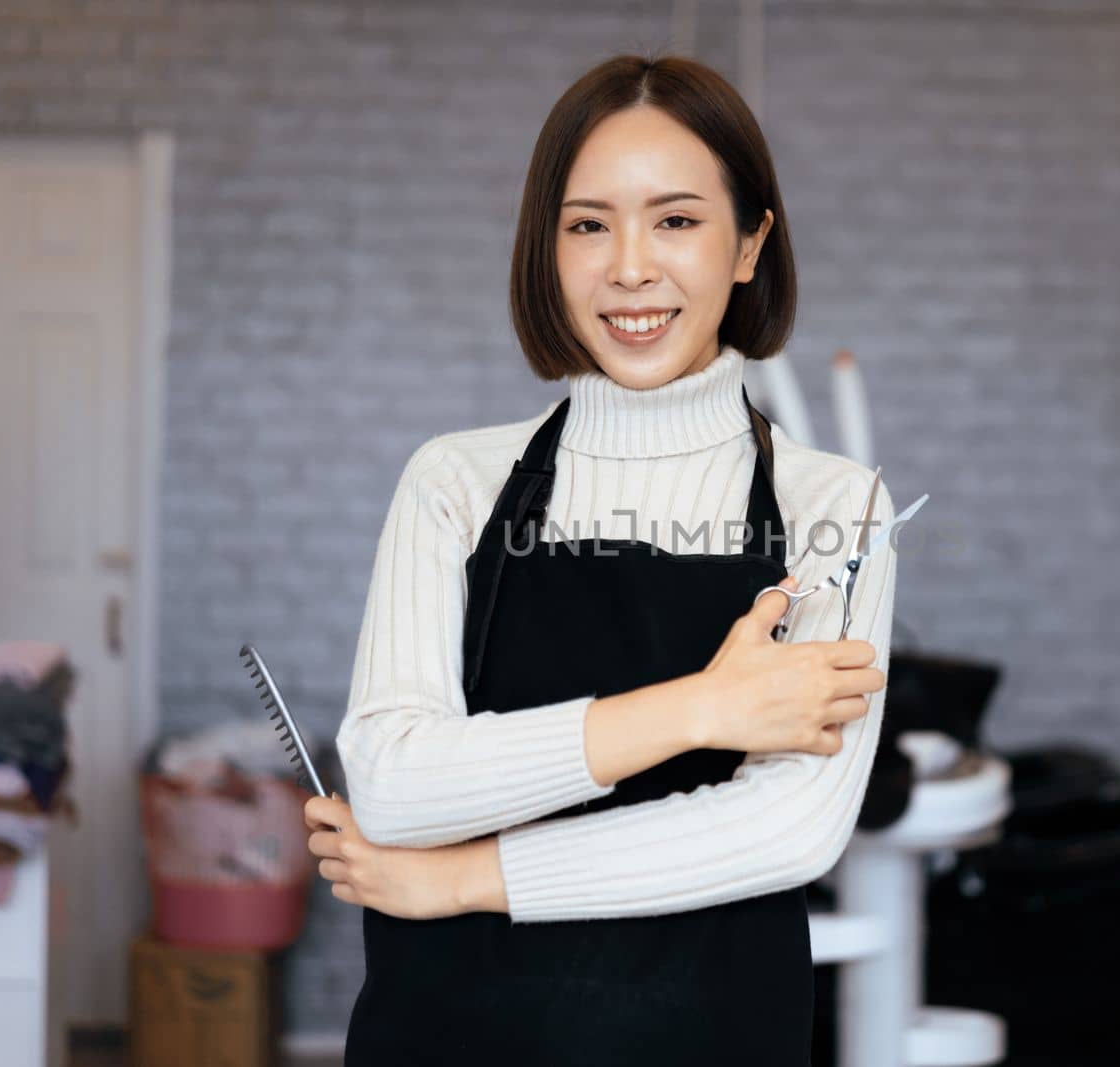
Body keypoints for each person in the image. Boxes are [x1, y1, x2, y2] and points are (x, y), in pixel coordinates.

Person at [305, 51, 899, 1066]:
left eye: (675, 219)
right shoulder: (455, 480)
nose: (629, 265)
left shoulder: (835, 507)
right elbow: (394, 782)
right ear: (548, 247)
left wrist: (461, 875)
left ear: (749, 244)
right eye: (588, 223)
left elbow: (788, 828)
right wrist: (704, 709)